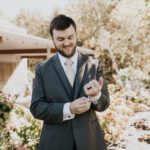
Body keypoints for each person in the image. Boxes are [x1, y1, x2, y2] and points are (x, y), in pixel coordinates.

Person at [30, 14, 110, 150]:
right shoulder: (42, 69)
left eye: (70, 37)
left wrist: (97, 96)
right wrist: (68, 109)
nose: (66, 43)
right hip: (55, 143)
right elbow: (36, 108)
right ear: (53, 39)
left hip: (89, 142)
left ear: (76, 34)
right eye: (60, 39)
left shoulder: (94, 64)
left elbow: (104, 105)